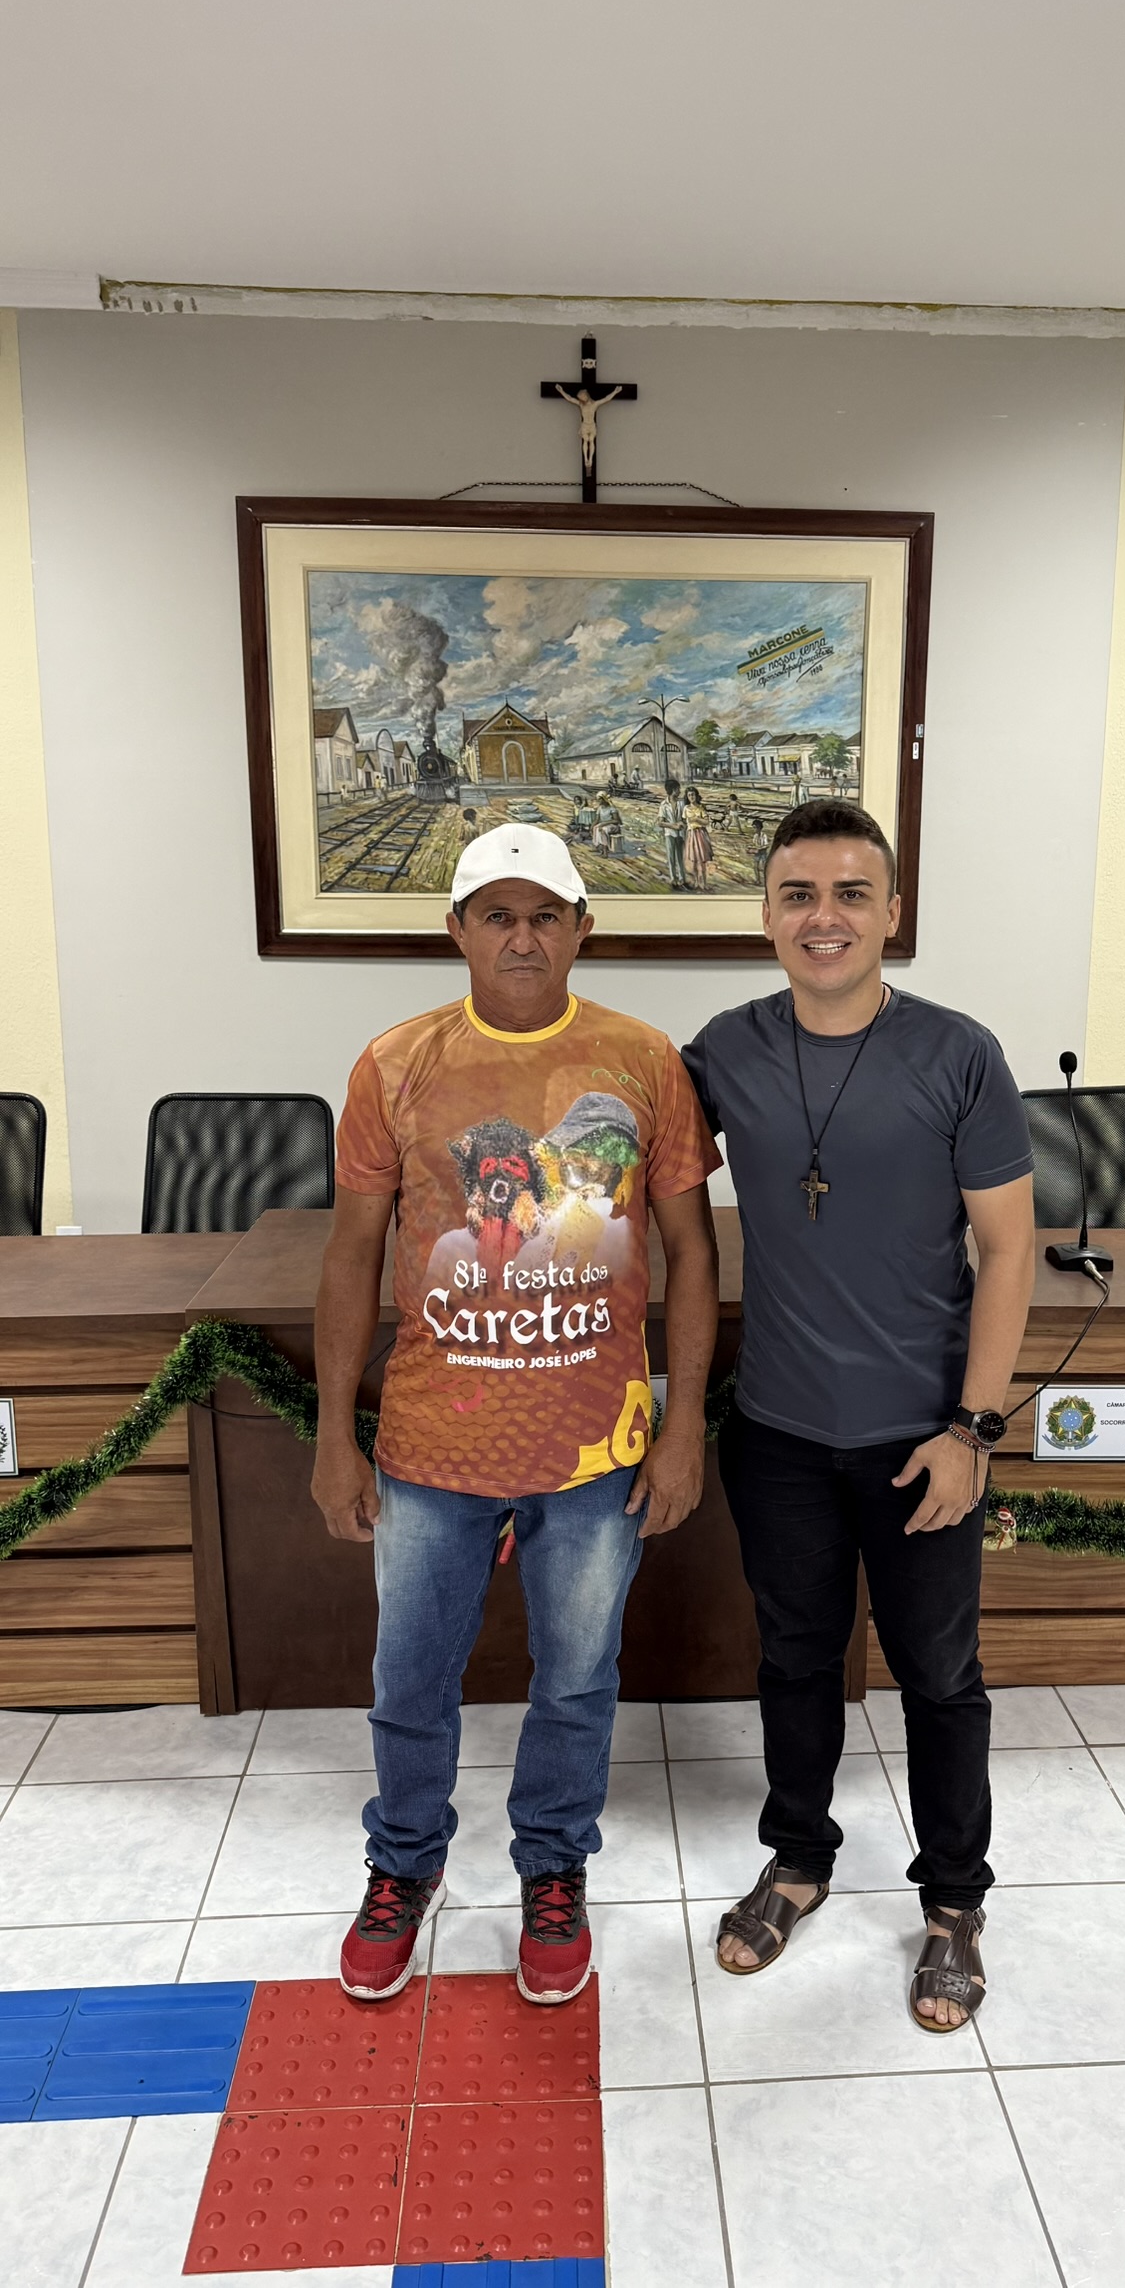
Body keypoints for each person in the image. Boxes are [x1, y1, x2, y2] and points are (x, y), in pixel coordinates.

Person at [314, 822, 720, 2005]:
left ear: (583, 928)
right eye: (497, 915)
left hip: (593, 1446)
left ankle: (553, 1867)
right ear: (458, 930)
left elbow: (693, 1255)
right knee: (409, 1679)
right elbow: (349, 1256)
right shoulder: (394, 1064)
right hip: (431, 1443)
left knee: (578, 1681)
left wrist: (682, 1426)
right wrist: (334, 1434)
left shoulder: (644, 1061)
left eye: (546, 915)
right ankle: (404, 1864)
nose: (523, 937)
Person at [682, 798, 1034, 2032]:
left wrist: (972, 1431)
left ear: (891, 912)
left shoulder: (958, 1054)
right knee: (794, 1658)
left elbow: (1009, 1250)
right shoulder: (724, 1049)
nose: (821, 917)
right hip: (778, 1432)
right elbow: (619, 1164)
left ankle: (953, 1902)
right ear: (765, 916)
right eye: (797, 894)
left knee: (938, 1676)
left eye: (848, 894)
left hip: (921, 1439)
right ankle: (797, 1861)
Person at [682, 785, 714, 891]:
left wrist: (696, 819)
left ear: (696, 796)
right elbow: (684, 822)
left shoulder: (701, 807)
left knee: (702, 860)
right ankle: (696, 882)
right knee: (694, 860)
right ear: (687, 797)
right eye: (689, 795)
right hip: (691, 835)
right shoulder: (686, 808)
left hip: (700, 834)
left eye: (693, 795)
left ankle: (704, 883)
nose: (691, 797)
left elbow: (706, 822)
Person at [657, 777, 687, 890]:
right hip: (669, 834)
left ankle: (682, 879)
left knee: (680, 857)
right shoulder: (664, 804)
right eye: (678, 789)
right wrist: (673, 826)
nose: (679, 791)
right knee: (671, 858)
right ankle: (673, 880)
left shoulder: (681, 803)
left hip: (681, 834)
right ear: (673, 790)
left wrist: (682, 823)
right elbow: (660, 822)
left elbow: (685, 818)